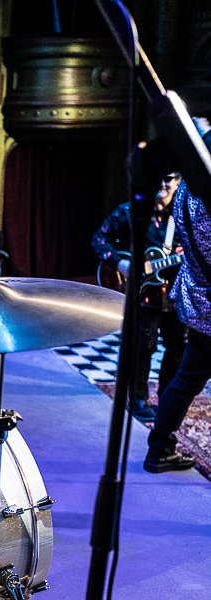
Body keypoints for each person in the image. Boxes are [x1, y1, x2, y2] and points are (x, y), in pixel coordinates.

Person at [144, 117, 211, 473]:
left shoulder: (185, 192)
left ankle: (159, 449)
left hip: (199, 301)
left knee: (186, 380)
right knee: (186, 379)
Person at [92, 173, 187, 422]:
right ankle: (137, 400)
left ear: (178, 183)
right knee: (143, 347)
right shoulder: (131, 211)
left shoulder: (182, 215)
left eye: (169, 179)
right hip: (143, 295)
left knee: (178, 348)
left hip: (175, 294)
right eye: (159, 178)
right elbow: (99, 239)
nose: (163, 184)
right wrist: (120, 262)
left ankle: (167, 399)